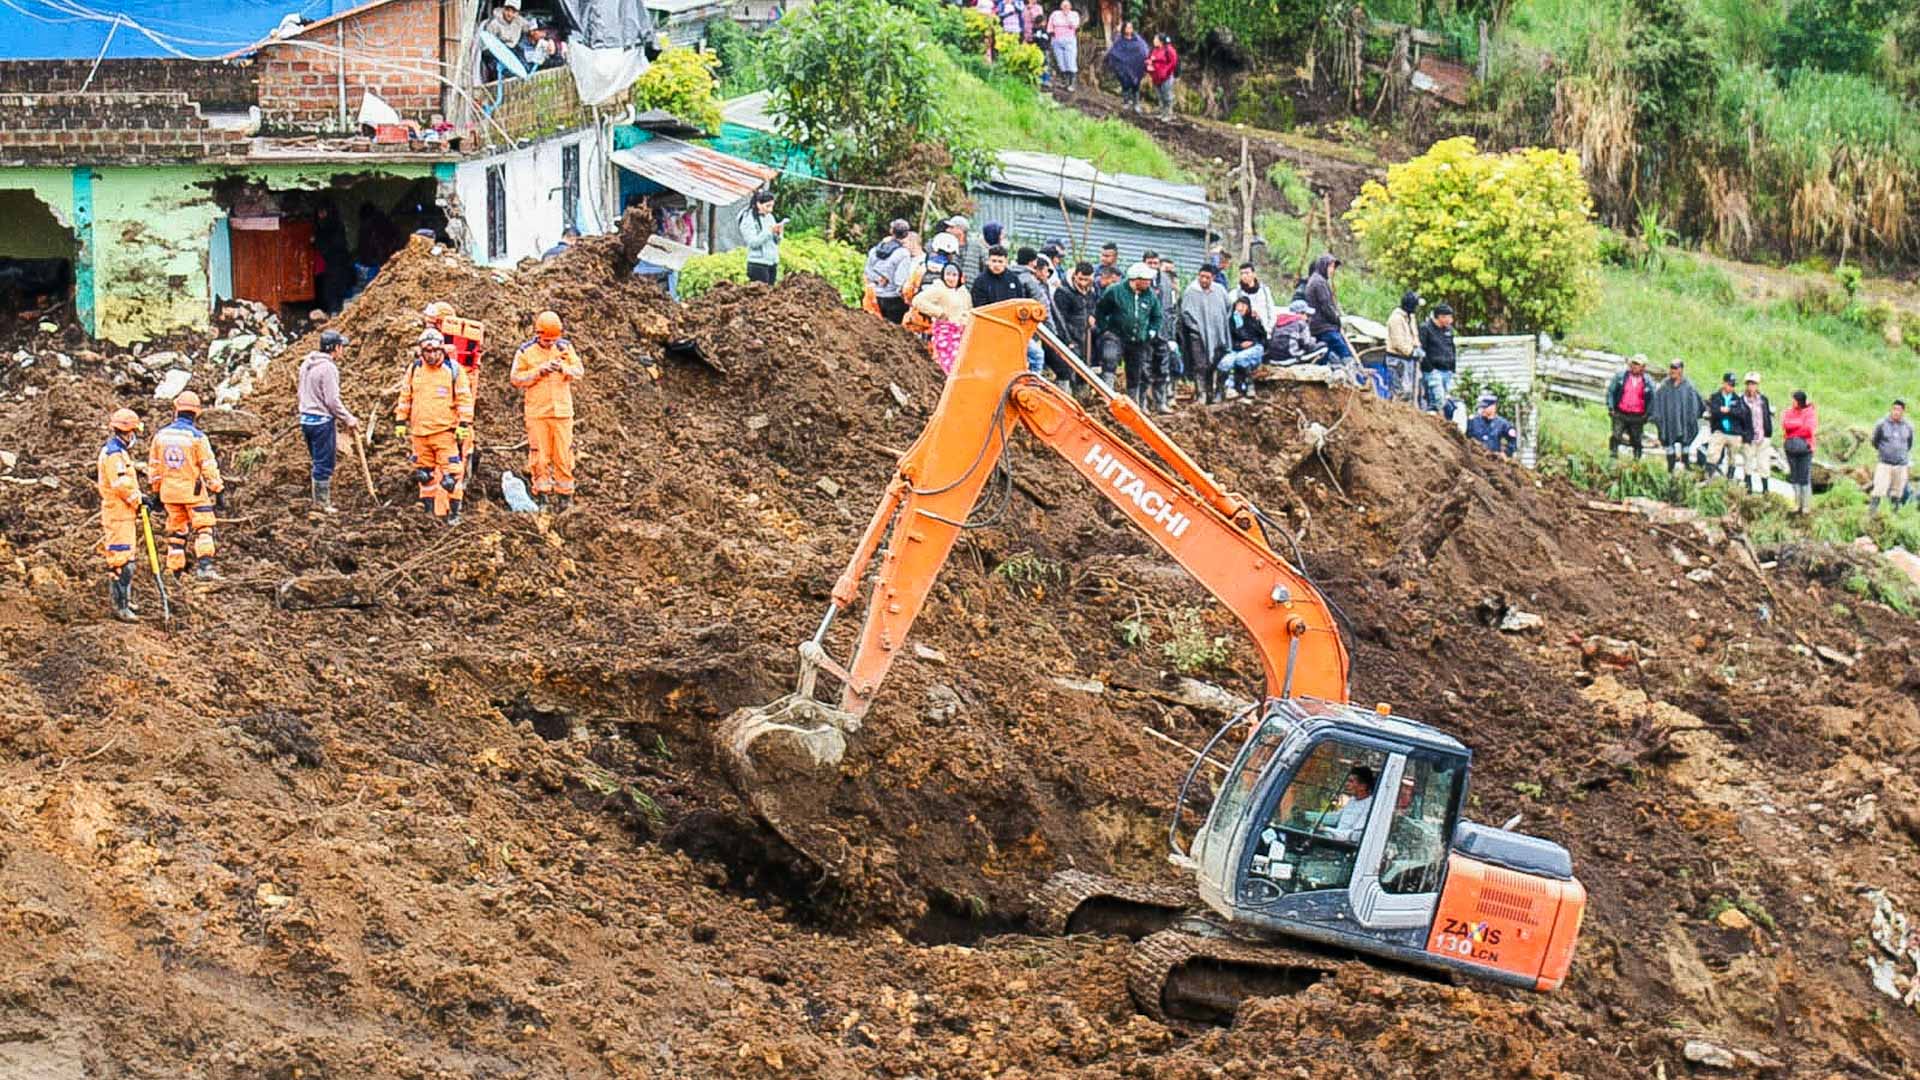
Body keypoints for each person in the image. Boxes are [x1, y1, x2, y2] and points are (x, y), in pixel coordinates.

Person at [394, 330, 473, 523]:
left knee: (451, 476)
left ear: (441, 349)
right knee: (425, 475)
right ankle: (429, 514)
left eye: (434, 351)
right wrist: (400, 421)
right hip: (420, 434)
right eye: (426, 351)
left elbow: (464, 398)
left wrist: (464, 423)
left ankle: (454, 515)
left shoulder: (452, 370)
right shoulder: (415, 369)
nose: (430, 355)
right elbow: (406, 396)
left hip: (444, 433)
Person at [511, 311, 584, 512]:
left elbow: (579, 372)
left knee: (564, 455)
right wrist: (539, 371)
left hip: (562, 412)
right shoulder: (526, 352)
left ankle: (565, 497)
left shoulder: (565, 348)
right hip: (538, 412)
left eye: (553, 339)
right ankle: (542, 495)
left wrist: (563, 368)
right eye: (546, 340)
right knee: (540, 456)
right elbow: (516, 379)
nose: (550, 343)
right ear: (538, 334)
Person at [148, 391, 224, 580]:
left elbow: (155, 467)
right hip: (193, 493)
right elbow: (208, 465)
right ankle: (205, 568)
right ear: (196, 413)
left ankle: (175, 571)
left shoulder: (160, 436)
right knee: (204, 528)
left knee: (176, 531)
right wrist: (217, 488)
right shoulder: (196, 438)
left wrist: (156, 491)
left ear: (176, 410)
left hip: (169, 493)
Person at [297, 329, 360, 513]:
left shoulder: (307, 363)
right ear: (335, 348)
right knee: (324, 463)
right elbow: (332, 400)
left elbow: (300, 392)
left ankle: (318, 500)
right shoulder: (328, 368)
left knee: (317, 460)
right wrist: (349, 419)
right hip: (321, 422)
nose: (343, 351)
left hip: (306, 420)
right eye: (342, 347)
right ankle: (322, 504)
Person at [97, 408, 147, 621]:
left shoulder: (119, 452)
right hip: (117, 514)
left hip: (124, 513)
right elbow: (121, 485)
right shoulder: (113, 455)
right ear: (128, 432)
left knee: (128, 558)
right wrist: (139, 500)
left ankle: (124, 599)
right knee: (121, 561)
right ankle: (120, 606)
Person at [1096, 262, 1164, 411]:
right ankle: (1107, 397)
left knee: (1135, 371)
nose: (1149, 283)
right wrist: (1104, 329)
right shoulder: (1115, 291)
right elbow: (1101, 310)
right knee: (1110, 359)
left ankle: (1133, 403)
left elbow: (1157, 316)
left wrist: (1151, 331)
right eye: (1145, 280)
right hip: (1116, 335)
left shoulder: (1150, 296)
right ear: (1135, 280)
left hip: (1138, 339)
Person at [1178, 264, 1231, 404]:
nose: (1204, 280)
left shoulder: (1220, 290)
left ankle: (1212, 392)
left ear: (1213, 278)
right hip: (1197, 335)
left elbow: (1228, 307)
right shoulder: (1191, 291)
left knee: (1214, 363)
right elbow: (1185, 313)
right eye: (1202, 276)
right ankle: (1200, 393)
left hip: (1217, 334)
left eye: (1207, 277)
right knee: (1200, 364)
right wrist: (1195, 327)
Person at [1645, 359, 1704, 475]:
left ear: (1681, 369)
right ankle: (1670, 468)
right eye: (1671, 368)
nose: (1673, 371)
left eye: (1676, 368)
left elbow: (1696, 403)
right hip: (1669, 422)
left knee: (1686, 441)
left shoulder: (1689, 386)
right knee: (1668, 442)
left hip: (1684, 422)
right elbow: (1657, 403)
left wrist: (1695, 415)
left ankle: (1686, 465)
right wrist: (1655, 417)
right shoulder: (1664, 386)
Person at [911, 262, 973, 374]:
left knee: (961, 364)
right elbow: (917, 301)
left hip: (962, 333)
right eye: (948, 274)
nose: (951, 278)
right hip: (946, 333)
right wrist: (939, 313)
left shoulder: (964, 292)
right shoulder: (939, 289)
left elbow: (968, 309)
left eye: (954, 275)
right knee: (948, 364)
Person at [1303, 253, 1355, 377]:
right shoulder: (1319, 282)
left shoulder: (1315, 280)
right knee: (1345, 353)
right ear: (1324, 266)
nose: (1332, 271)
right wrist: (1337, 320)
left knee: (1325, 356)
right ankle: (1355, 380)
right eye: (1330, 267)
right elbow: (1326, 306)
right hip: (1325, 327)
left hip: (1317, 327)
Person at [1051, 260, 1100, 374]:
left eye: (1086, 280)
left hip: (1084, 335)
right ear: (1075, 275)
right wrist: (1068, 340)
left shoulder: (1091, 291)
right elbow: (1060, 318)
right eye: (1080, 279)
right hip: (1069, 336)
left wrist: (1092, 315)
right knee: (1069, 368)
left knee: (1084, 369)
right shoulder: (1063, 291)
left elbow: (1092, 306)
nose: (1083, 283)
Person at [865, 219, 915, 324]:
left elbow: (868, 271)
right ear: (906, 234)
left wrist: (879, 280)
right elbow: (900, 280)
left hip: (877, 296)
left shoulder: (874, 250)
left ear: (891, 231)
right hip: (895, 299)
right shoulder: (903, 253)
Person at [1606, 355, 1656, 461]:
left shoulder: (1648, 382)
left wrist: (1648, 415)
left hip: (1637, 416)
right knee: (1616, 435)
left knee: (1636, 440)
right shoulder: (1620, 377)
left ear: (1643, 367)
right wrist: (1611, 408)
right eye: (1633, 363)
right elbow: (1611, 391)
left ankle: (1636, 460)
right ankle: (1612, 457)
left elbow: (1653, 399)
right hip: (1620, 413)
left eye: (1638, 364)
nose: (1634, 366)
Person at [1703, 373, 1750, 481]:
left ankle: (1729, 479)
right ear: (1724, 383)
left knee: (1733, 458)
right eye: (1729, 384)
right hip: (1719, 430)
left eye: (1733, 385)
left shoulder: (1738, 399)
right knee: (1712, 454)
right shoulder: (1715, 397)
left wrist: (1728, 410)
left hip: (1734, 432)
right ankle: (1708, 478)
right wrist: (1722, 411)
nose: (1731, 387)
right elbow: (1714, 411)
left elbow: (1741, 413)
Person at [1869, 400, 1913, 516]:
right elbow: (1874, 441)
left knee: (1896, 493)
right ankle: (1871, 515)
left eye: (1899, 410)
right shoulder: (1882, 424)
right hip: (1884, 464)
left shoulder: (1908, 426)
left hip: (1901, 465)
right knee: (1878, 490)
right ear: (1891, 409)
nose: (1896, 412)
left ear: (1903, 412)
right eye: (1894, 409)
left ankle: (1894, 516)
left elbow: (1909, 444)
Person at [1219, 295, 1266, 400]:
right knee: (1226, 362)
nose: (1240, 308)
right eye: (1238, 305)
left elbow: (1262, 338)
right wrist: (1239, 345)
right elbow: (1229, 340)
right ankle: (1225, 388)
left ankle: (1249, 384)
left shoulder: (1253, 320)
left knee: (1242, 358)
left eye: (1243, 305)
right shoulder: (1231, 321)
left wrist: (1252, 343)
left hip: (1254, 348)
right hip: (1236, 348)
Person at [1781, 390, 1817, 515]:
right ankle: (1796, 504)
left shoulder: (1810, 412)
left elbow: (1808, 429)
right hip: (1791, 449)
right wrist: (1798, 425)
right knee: (1794, 476)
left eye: (1794, 399)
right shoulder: (1788, 412)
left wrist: (1794, 432)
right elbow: (1785, 424)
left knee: (1804, 476)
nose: (1792, 402)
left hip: (1805, 449)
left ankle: (1805, 505)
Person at [1417, 303, 1456, 414]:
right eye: (1449, 317)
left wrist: (1452, 367)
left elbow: (1452, 348)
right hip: (1433, 371)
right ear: (1441, 317)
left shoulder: (1448, 330)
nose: (1451, 320)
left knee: (1447, 400)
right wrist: (1429, 368)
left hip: (1447, 371)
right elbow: (1421, 351)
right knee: (1437, 400)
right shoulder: (1425, 329)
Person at [1385, 291, 1421, 405]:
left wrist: (1417, 345)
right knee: (1400, 391)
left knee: (1410, 391)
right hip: (1397, 359)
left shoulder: (1410, 318)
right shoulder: (1396, 319)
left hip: (1408, 359)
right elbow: (1398, 342)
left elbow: (1414, 334)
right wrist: (1411, 352)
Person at [740, 189, 783, 284]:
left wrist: (778, 233)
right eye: (767, 206)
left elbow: (777, 241)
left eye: (772, 206)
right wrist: (769, 231)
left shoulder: (770, 217)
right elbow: (752, 242)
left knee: (772, 295)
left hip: (772, 262)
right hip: (758, 264)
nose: (770, 210)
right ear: (758, 204)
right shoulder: (748, 219)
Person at [1106, 22, 1149, 112]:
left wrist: (1144, 60)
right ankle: (1126, 102)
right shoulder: (1120, 40)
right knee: (1125, 84)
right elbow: (1114, 52)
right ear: (1124, 29)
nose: (1129, 29)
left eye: (1131, 27)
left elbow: (1144, 50)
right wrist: (1120, 63)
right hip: (1124, 68)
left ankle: (1136, 104)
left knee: (1136, 85)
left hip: (1136, 67)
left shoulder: (1137, 39)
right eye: (1127, 28)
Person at [1325, 767, 1376, 842]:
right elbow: (1335, 817)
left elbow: (1354, 835)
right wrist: (1307, 816)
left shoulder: (1370, 805)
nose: (1347, 784)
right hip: (1334, 839)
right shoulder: (1352, 800)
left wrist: (1326, 829)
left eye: (1351, 782)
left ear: (1363, 786)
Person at [1265, 299, 1317, 365]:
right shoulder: (1301, 322)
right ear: (1300, 313)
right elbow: (1307, 344)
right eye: (1307, 314)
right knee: (1323, 346)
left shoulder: (1278, 321)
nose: (1307, 317)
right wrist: (1313, 340)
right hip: (1290, 357)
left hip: (1274, 358)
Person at [1230, 263, 1276, 332]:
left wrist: (1269, 327)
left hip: (1264, 330)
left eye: (1247, 273)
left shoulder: (1264, 290)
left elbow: (1271, 309)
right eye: (1242, 273)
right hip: (1246, 332)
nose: (1244, 276)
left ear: (1254, 274)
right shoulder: (1236, 293)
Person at [1046, 0, 1081, 90]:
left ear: (1070, 7)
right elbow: (1050, 25)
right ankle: (1066, 81)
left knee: (1070, 61)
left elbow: (1075, 26)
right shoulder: (1055, 14)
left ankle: (1072, 82)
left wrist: (1067, 16)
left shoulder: (1074, 14)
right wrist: (1051, 34)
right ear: (1061, 6)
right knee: (1061, 62)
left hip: (1069, 40)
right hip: (1057, 40)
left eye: (1067, 6)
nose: (1065, 7)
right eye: (1064, 5)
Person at [1148, 34, 1178, 121]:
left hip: (1166, 77)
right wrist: (1148, 65)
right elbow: (1150, 59)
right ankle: (1162, 113)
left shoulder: (1169, 50)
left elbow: (1173, 63)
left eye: (1155, 39)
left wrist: (1165, 72)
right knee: (1160, 96)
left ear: (1160, 41)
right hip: (1156, 77)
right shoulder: (1154, 50)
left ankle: (1168, 114)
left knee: (1167, 96)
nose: (1153, 40)